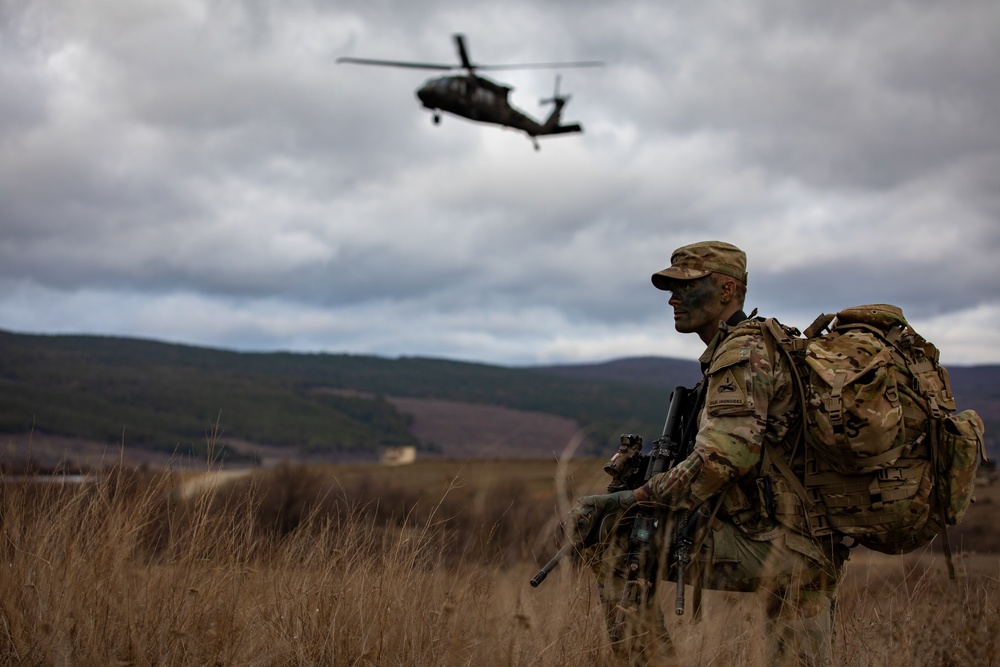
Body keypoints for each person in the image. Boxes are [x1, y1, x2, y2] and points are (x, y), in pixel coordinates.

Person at [570, 240, 848, 666]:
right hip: (812, 541)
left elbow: (723, 459)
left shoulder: (742, 350)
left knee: (614, 536)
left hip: (784, 544)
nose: (672, 298)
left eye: (686, 286)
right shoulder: (764, 343)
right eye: (671, 287)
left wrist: (631, 500)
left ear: (726, 290)